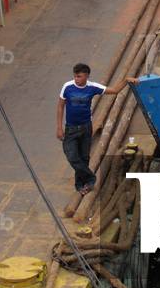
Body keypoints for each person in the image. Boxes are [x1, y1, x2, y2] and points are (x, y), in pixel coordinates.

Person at [57, 63, 135, 194]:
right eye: (75, 76)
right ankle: (91, 178)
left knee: (84, 158)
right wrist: (59, 128)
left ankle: (81, 185)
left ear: (86, 76)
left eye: (79, 76)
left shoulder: (93, 87)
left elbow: (115, 91)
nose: (76, 79)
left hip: (86, 128)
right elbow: (60, 107)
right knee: (72, 156)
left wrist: (126, 80)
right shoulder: (67, 87)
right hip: (70, 129)